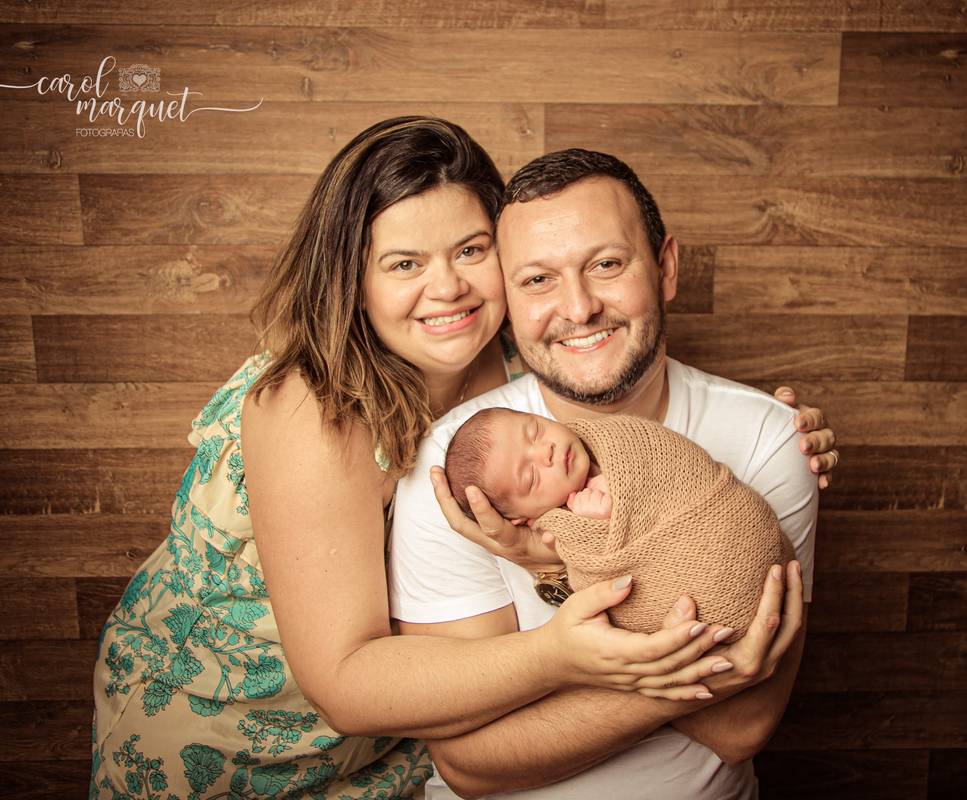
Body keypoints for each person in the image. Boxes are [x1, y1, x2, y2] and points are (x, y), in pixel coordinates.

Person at [89, 120, 779, 800]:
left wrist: (774, 424)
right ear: (351, 280)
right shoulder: (313, 406)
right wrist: (560, 657)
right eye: (404, 263)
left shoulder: (518, 360)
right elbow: (347, 685)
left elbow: (637, 387)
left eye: (471, 250)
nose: (447, 287)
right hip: (223, 732)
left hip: (409, 737)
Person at [389, 148, 828, 799]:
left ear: (667, 267)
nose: (579, 306)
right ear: (509, 302)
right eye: (537, 280)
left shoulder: (768, 438)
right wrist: (684, 674)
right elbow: (469, 763)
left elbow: (741, 724)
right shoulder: (464, 468)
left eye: (607, 264)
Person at [442, 408, 795, 640]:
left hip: (738, 525)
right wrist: (597, 527)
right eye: (531, 475)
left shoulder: (615, 436)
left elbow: (669, 460)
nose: (545, 451)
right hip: (707, 592)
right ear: (523, 519)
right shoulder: (564, 528)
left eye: (534, 432)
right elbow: (599, 579)